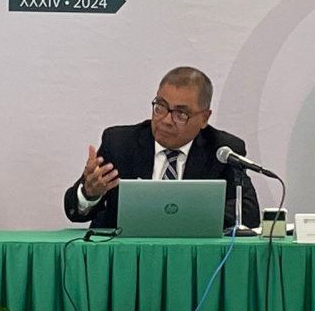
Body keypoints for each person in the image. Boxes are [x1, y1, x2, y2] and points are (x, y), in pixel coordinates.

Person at [64, 66, 259, 232]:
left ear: (204, 118)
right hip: (124, 259)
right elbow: (74, 210)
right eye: (161, 106)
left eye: (181, 114)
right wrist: (90, 194)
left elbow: (249, 214)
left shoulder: (223, 151)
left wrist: (177, 214)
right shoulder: (120, 144)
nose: (165, 120)